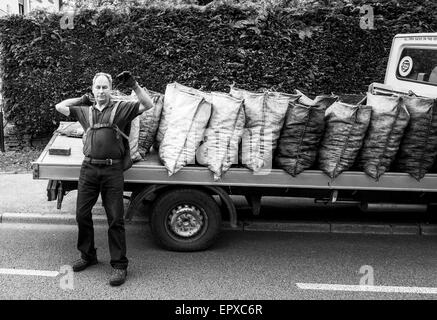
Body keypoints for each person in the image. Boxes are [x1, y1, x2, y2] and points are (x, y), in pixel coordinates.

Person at [55, 71, 154, 286]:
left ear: (111, 89)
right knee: (82, 214)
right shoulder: (85, 110)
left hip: (112, 171)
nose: (101, 91)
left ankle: (119, 265)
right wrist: (80, 99)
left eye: (104, 87)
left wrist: (135, 85)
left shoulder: (121, 108)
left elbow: (148, 105)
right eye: (97, 87)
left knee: (115, 219)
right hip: (89, 169)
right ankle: (88, 255)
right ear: (93, 89)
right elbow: (60, 106)